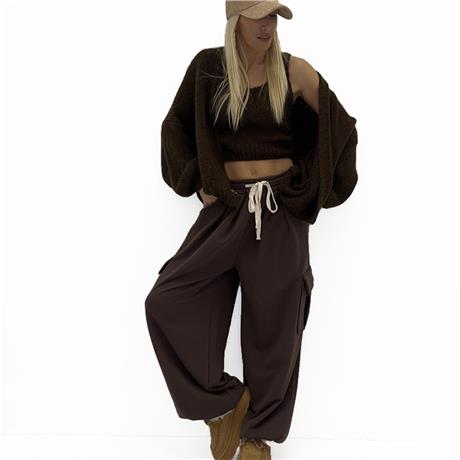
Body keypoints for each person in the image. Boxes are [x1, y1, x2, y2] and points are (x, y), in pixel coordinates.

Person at [145, 1, 359, 458]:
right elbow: (173, 127)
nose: (268, 25)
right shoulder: (208, 68)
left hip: (279, 211)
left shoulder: (294, 71)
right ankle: (224, 406)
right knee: (167, 300)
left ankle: (257, 439)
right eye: (258, 15)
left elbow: (342, 128)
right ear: (235, 19)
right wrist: (196, 180)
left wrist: (307, 187)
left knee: (275, 328)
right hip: (226, 208)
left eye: (274, 16)